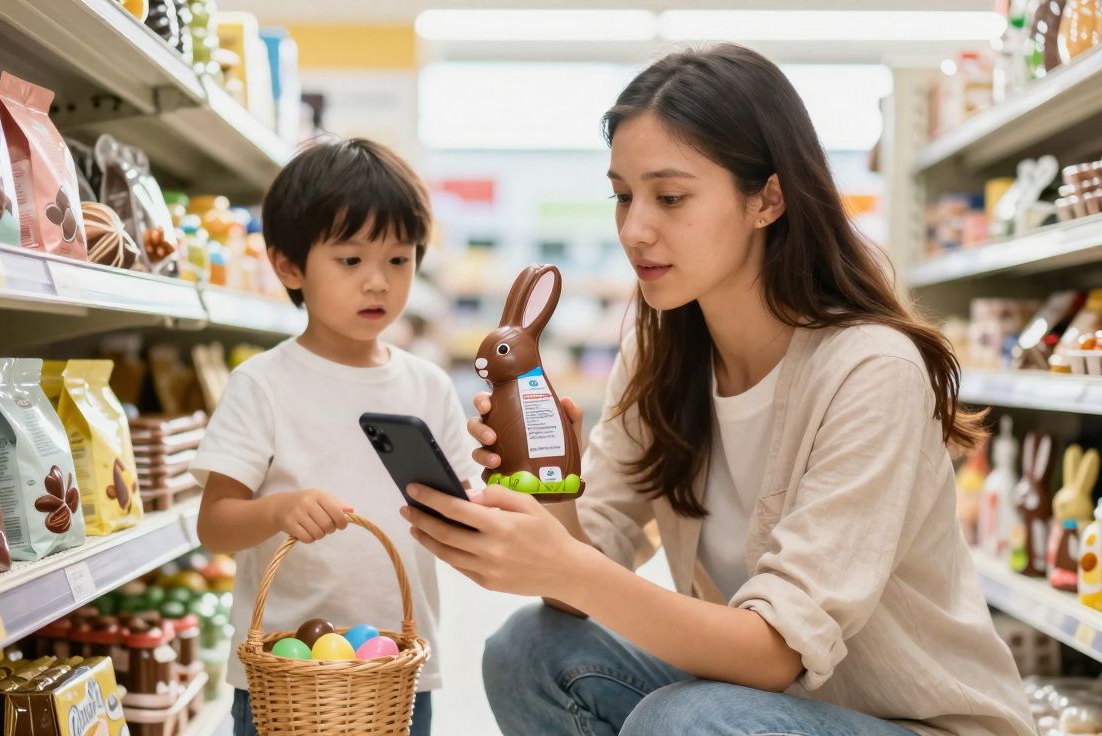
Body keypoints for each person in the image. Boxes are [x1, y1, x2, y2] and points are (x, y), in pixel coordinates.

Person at [401, 45, 1035, 736]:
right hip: (760, 712)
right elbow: (583, 580)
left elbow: (774, 654)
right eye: (623, 196)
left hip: (911, 724)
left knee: (687, 718)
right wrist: (549, 486)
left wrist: (570, 569)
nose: (635, 230)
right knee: (528, 649)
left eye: (670, 198)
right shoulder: (661, 350)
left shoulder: (871, 370)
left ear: (768, 199)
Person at [192, 138, 478, 736]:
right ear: (288, 266)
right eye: (350, 261)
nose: (378, 283)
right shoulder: (263, 384)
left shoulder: (427, 385)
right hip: (284, 674)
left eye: (398, 260)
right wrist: (278, 510)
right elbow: (214, 525)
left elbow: (467, 511)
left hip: (397, 671)